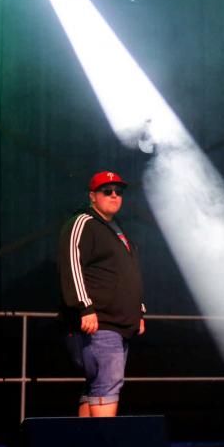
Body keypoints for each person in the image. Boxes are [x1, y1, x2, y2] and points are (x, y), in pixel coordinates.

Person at [58, 171, 145, 418]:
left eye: (118, 192)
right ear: (92, 196)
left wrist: (138, 311)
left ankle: (87, 443)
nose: (114, 195)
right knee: (107, 384)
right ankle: (104, 441)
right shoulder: (83, 222)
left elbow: (128, 272)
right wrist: (84, 307)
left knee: (97, 386)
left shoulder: (117, 229)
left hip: (118, 322)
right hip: (100, 322)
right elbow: (72, 264)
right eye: (107, 191)